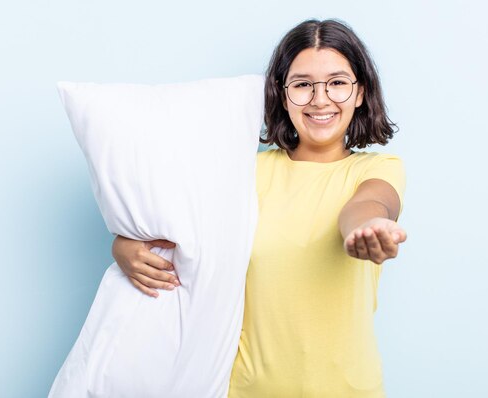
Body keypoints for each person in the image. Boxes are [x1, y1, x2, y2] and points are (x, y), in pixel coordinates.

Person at [113, 19, 406, 398]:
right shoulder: (245, 172)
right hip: (247, 389)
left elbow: (369, 204)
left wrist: (369, 229)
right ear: (283, 95)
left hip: (349, 389)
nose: (320, 99)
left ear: (360, 93)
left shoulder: (377, 168)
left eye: (337, 82)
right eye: (302, 84)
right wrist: (124, 246)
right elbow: (178, 228)